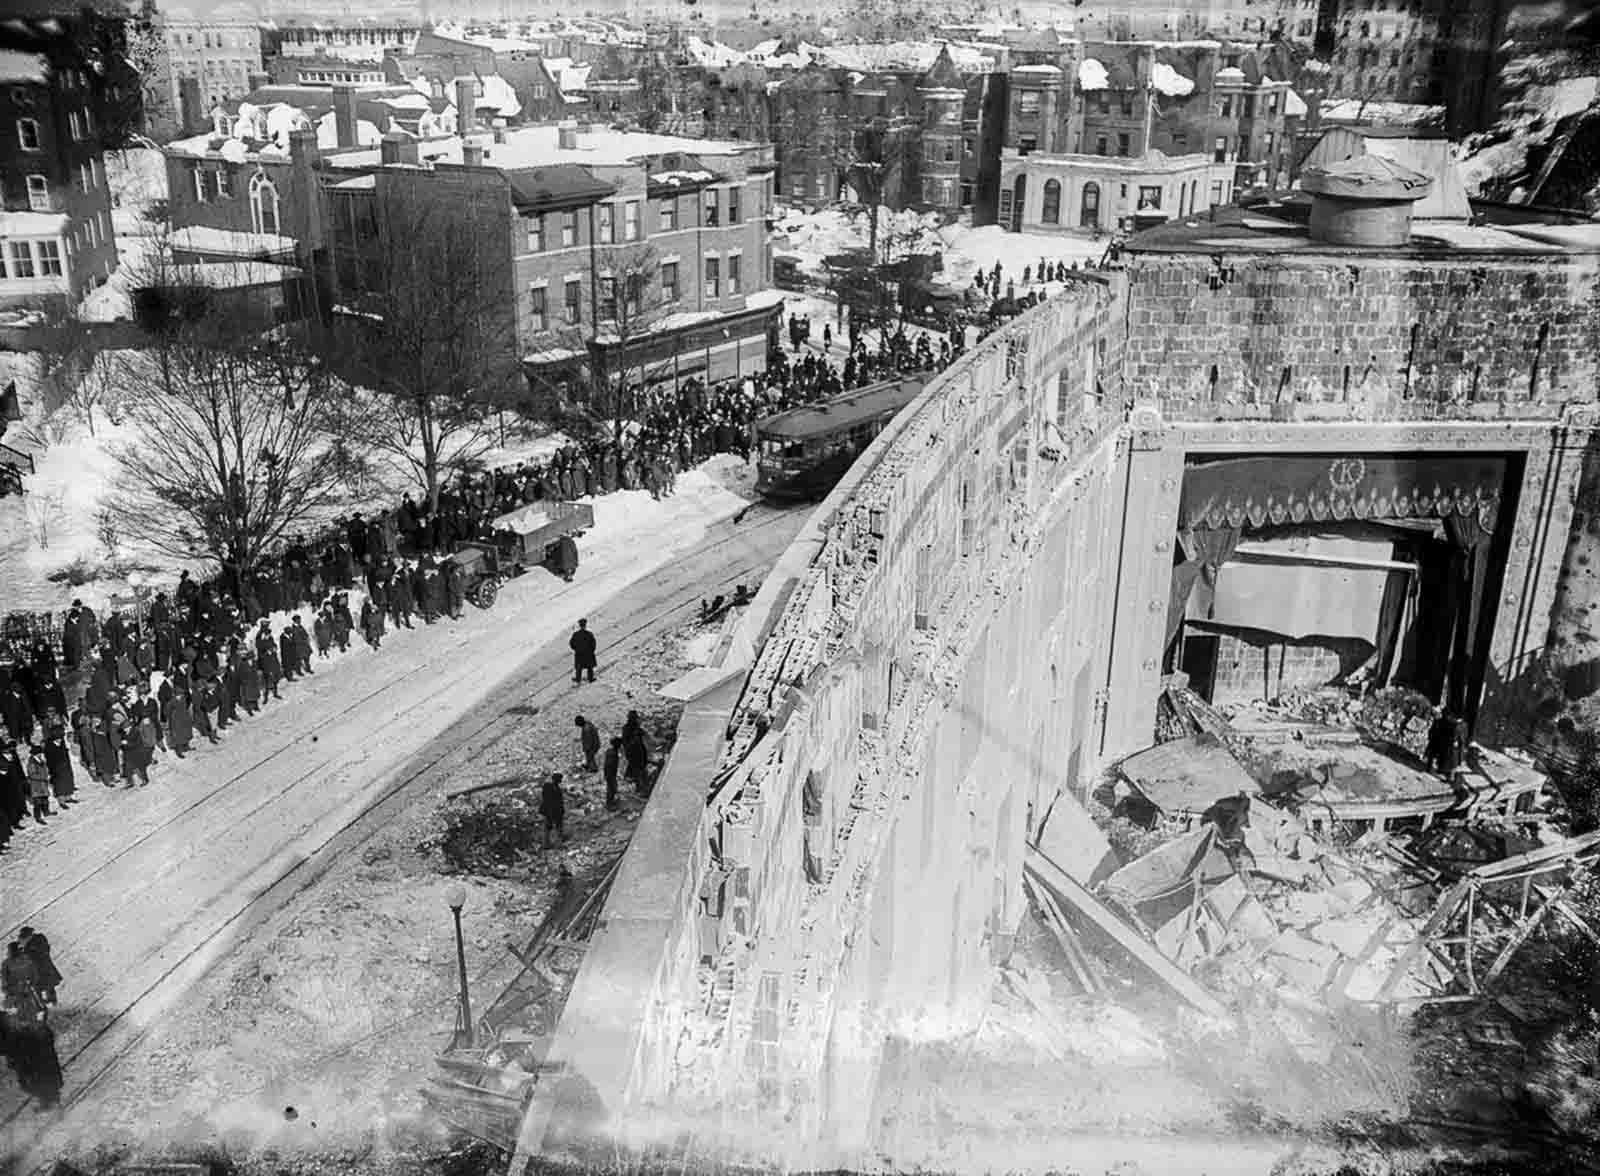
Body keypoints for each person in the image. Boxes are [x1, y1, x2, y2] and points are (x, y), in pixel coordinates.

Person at [17, 930, 60, 1007]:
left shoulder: (38, 940)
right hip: (40, 969)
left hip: (44, 968)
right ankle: (45, 1003)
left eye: (23, 939)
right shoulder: (31, 944)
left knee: (47, 986)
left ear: (28, 936)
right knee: (43, 986)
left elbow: (43, 950)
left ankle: (51, 1002)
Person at [540, 771, 567, 849]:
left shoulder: (551, 787)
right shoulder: (550, 787)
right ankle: (554, 844)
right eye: (559, 779)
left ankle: (550, 844)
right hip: (551, 811)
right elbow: (549, 800)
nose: (560, 781)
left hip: (551, 811)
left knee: (550, 828)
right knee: (553, 827)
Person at [25, 742, 50, 823]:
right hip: (36, 786)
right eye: (39, 753)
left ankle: (46, 812)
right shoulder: (31, 763)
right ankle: (38, 817)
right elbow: (32, 775)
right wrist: (43, 777)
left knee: (45, 799)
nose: (40, 754)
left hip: (42, 784)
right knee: (37, 803)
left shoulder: (40, 760)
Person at [569, 619, 597, 686]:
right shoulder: (589, 634)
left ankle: (578, 679)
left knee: (579, 667)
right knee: (589, 666)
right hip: (588, 653)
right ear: (585, 625)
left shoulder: (575, 634)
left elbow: (571, 643)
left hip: (579, 654)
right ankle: (591, 678)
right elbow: (593, 644)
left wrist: (576, 649)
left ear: (579, 625)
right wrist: (591, 651)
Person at [603, 735, 621, 811]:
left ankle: (611, 802)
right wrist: (609, 776)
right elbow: (609, 765)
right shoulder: (613, 754)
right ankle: (609, 805)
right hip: (610, 774)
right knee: (611, 789)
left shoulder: (610, 751)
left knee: (612, 788)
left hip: (610, 774)